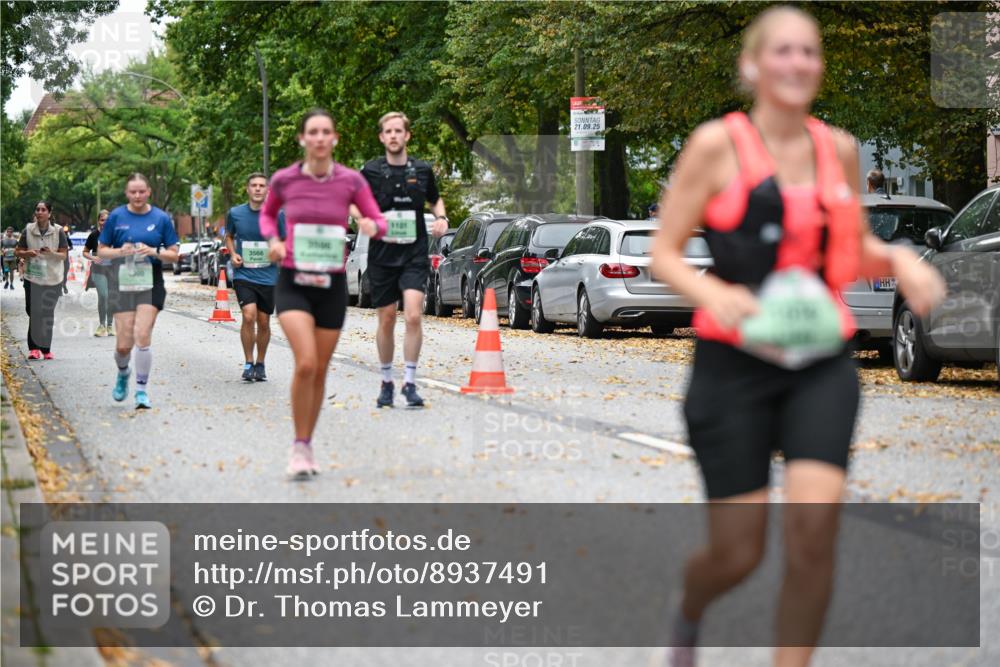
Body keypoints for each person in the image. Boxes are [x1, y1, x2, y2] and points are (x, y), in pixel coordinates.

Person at [649, 7, 946, 667]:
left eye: (809, 51)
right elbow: (664, 252)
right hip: (733, 364)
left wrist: (899, 260)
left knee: (814, 533)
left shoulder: (836, 148)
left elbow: (849, 249)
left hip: (820, 361)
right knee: (739, 552)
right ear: (752, 65)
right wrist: (713, 294)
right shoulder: (716, 145)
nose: (797, 63)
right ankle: (689, 607)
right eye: (782, 50)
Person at [260, 108, 387, 479]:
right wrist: (273, 241)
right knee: (306, 362)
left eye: (325, 132)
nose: (319, 138)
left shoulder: (350, 181)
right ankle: (298, 446)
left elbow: (378, 220)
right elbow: (268, 215)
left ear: (334, 139)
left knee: (319, 371)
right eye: (312, 132)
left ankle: (306, 442)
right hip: (293, 281)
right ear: (302, 138)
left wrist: (370, 225)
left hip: (331, 285)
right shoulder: (285, 179)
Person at [355, 111, 448, 409]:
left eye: (398, 131)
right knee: (386, 318)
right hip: (382, 255)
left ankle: (409, 382)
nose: (394, 135)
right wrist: (362, 220)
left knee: (413, 316)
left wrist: (441, 218)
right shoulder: (370, 171)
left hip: (413, 254)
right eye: (388, 131)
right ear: (382, 137)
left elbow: (435, 199)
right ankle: (386, 381)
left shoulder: (422, 169)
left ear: (407, 135)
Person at [97, 173, 180, 410]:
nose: (137, 196)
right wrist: (120, 252)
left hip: (150, 282)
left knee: (142, 335)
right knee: (123, 346)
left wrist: (154, 251)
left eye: (141, 191)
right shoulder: (116, 217)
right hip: (122, 282)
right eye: (133, 192)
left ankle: (141, 391)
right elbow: (102, 251)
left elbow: (174, 254)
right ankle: (123, 372)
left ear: (149, 192)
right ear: (127, 193)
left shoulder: (161, 218)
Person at [225, 173, 285, 381]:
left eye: (262, 185)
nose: (258, 189)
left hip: (269, 276)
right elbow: (229, 236)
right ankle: (248, 362)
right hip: (244, 274)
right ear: (247, 189)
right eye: (254, 185)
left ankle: (260, 363)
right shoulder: (235, 213)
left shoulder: (277, 215)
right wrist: (233, 254)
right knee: (248, 315)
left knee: (264, 321)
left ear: (268, 190)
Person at [14, 202, 68, 359]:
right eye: (37, 209)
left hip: (53, 278)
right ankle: (34, 348)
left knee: (46, 313)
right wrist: (28, 253)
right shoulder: (28, 230)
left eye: (43, 210)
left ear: (49, 213)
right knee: (34, 311)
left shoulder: (58, 231)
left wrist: (52, 253)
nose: (39, 212)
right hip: (33, 277)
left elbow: (63, 255)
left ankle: (44, 349)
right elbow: (18, 251)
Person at [83, 209, 114, 336]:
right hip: (98, 270)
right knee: (103, 295)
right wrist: (93, 257)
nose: (104, 222)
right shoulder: (93, 235)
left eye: (107, 220)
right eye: (102, 220)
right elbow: (85, 252)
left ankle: (110, 325)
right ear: (98, 221)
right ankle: (102, 325)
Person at [60, 225, 73, 294]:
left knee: (65, 273)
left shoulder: (67, 238)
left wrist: (67, 249)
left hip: (65, 258)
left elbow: (71, 247)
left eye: (66, 232)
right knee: (59, 273)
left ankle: (64, 285)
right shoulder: (58, 239)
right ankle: (59, 288)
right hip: (59, 259)